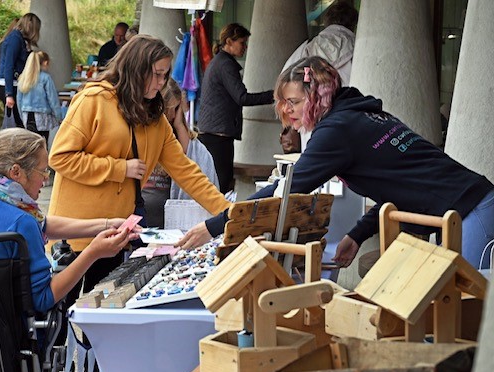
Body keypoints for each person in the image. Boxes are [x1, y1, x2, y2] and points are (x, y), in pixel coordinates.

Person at [178, 56, 494, 271]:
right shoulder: (361, 115)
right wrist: (357, 234)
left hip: (472, 209)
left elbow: (286, 190)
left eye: (294, 102)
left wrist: (215, 226)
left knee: (471, 322)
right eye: (284, 103)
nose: (288, 112)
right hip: (468, 206)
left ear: (321, 96)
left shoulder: (338, 129)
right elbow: (396, 186)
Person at [48, 34, 231, 293]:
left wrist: (229, 213)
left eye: (165, 75)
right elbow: (59, 157)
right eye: (157, 74)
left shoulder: (156, 118)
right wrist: (119, 168)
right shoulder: (94, 100)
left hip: (116, 237)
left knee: (102, 318)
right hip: (75, 236)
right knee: (65, 319)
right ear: (136, 70)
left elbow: (188, 173)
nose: (161, 83)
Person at [0, 128, 137, 313]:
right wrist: (93, 253)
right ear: (16, 172)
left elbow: (41, 224)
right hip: (5, 331)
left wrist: (106, 224)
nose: (46, 179)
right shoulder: (20, 221)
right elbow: (43, 298)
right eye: (43, 171)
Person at [197, 23, 274, 194]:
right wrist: (273, 95)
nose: (245, 47)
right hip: (218, 136)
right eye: (242, 43)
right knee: (221, 185)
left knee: (217, 184)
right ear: (229, 42)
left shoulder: (220, 61)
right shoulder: (225, 64)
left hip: (214, 133)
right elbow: (242, 97)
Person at [142, 79, 219, 228]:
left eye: (176, 109)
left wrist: (179, 125)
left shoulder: (187, 142)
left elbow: (187, 163)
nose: (171, 115)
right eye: (168, 109)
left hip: (170, 225)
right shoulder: (143, 136)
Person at [282, 0, 358, 151]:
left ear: (326, 22)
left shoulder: (307, 49)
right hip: (350, 120)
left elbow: (284, 84)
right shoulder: (361, 47)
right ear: (353, 24)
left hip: (312, 120)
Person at [0, 13, 42, 128]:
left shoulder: (18, 39)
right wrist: (9, 94)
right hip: (10, 85)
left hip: (13, 85)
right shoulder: (15, 39)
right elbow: (9, 66)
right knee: (18, 123)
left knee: (19, 123)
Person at [16, 51, 62, 144]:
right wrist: (59, 117)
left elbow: (19, 99)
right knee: (42, 143)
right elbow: (53, 99)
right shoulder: (46, 78)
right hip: (42, 116)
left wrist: (22, 115)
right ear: (45, 62)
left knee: (31, 143)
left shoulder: (23, 77)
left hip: (26, 115)